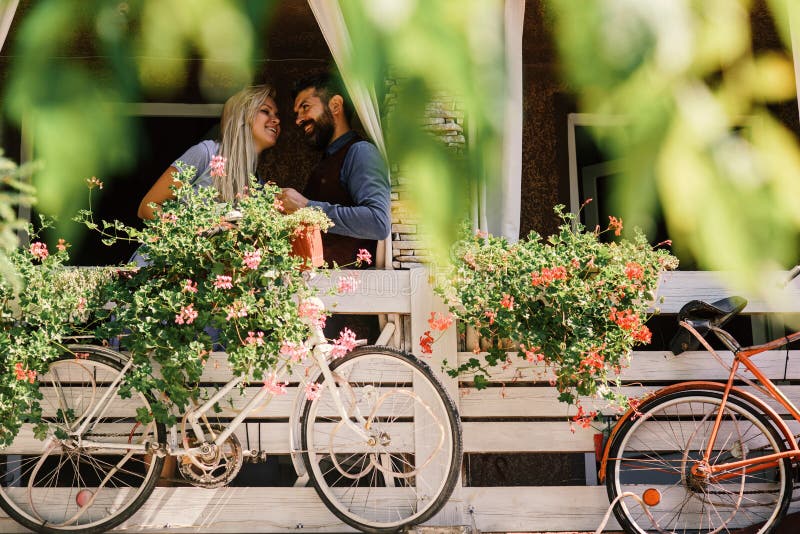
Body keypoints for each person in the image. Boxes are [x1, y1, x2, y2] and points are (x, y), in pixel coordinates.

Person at [278, 72, 391, 267]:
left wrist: (306, 207)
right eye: (297, 113)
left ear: (335, 105)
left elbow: (378, 222)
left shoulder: (360, 152)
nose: (298, 119)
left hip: (355, 291)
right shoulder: (328, 160)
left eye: (305, 107)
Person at [138, 84, 281, 219]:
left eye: (276, 114)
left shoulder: (258, 184)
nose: (277, 120)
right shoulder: (206, 153)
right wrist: (189, 235)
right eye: (265, 111)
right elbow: (148, 206)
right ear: (242, 117)